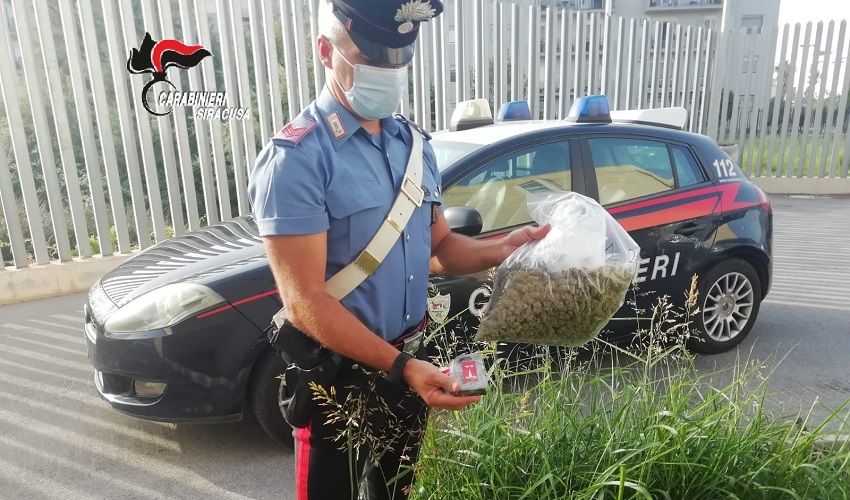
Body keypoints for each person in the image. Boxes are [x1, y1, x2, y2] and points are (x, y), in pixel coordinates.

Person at [248, 1, 550, 498]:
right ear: (326, 51)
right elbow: (304, 303)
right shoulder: (298, 160)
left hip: (409, 361)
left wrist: (503, 248)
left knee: (396, 491)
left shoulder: (414, 145)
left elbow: (442, 249)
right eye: (372, 58)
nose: (388, 72)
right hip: (337, 378)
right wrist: (401, 367)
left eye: (398, 59)